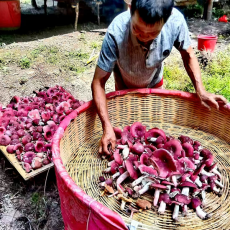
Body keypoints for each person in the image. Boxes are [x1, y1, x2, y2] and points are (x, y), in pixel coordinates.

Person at [91, 0, 227, 156]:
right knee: (127, 122)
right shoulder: (116, 31)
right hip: (124, 81)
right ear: (130, 9)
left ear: (167, 20)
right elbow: (98, 82)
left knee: (153, 124)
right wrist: (106, 127)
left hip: (154, 80)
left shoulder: (175, 22)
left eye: (152, 33)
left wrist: (200, 89)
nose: (144, 37)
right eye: (137, 29)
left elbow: (188, 54)